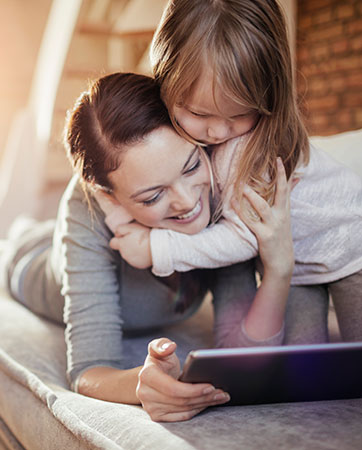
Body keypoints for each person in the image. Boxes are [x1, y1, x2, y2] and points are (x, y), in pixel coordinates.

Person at [3, 72, 295, 422]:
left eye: (190, 166)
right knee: (16, 241)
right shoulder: (87, 208)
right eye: (153, 195)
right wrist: (139, 385)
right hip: (32, 263)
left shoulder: (221, 179)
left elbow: (244, 353)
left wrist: (279, 270)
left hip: (62, 237)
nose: (188, 202)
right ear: (108, 197)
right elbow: (88, 370)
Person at [105, 0, 362, 344]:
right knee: (306, 370)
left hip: (352, 253)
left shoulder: (249, 150)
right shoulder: (172, 144)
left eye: (241, 113)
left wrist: (160, 248)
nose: (218, 133)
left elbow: (244, 238)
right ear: (164, 79)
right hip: (300, 269)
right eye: (199, 113)